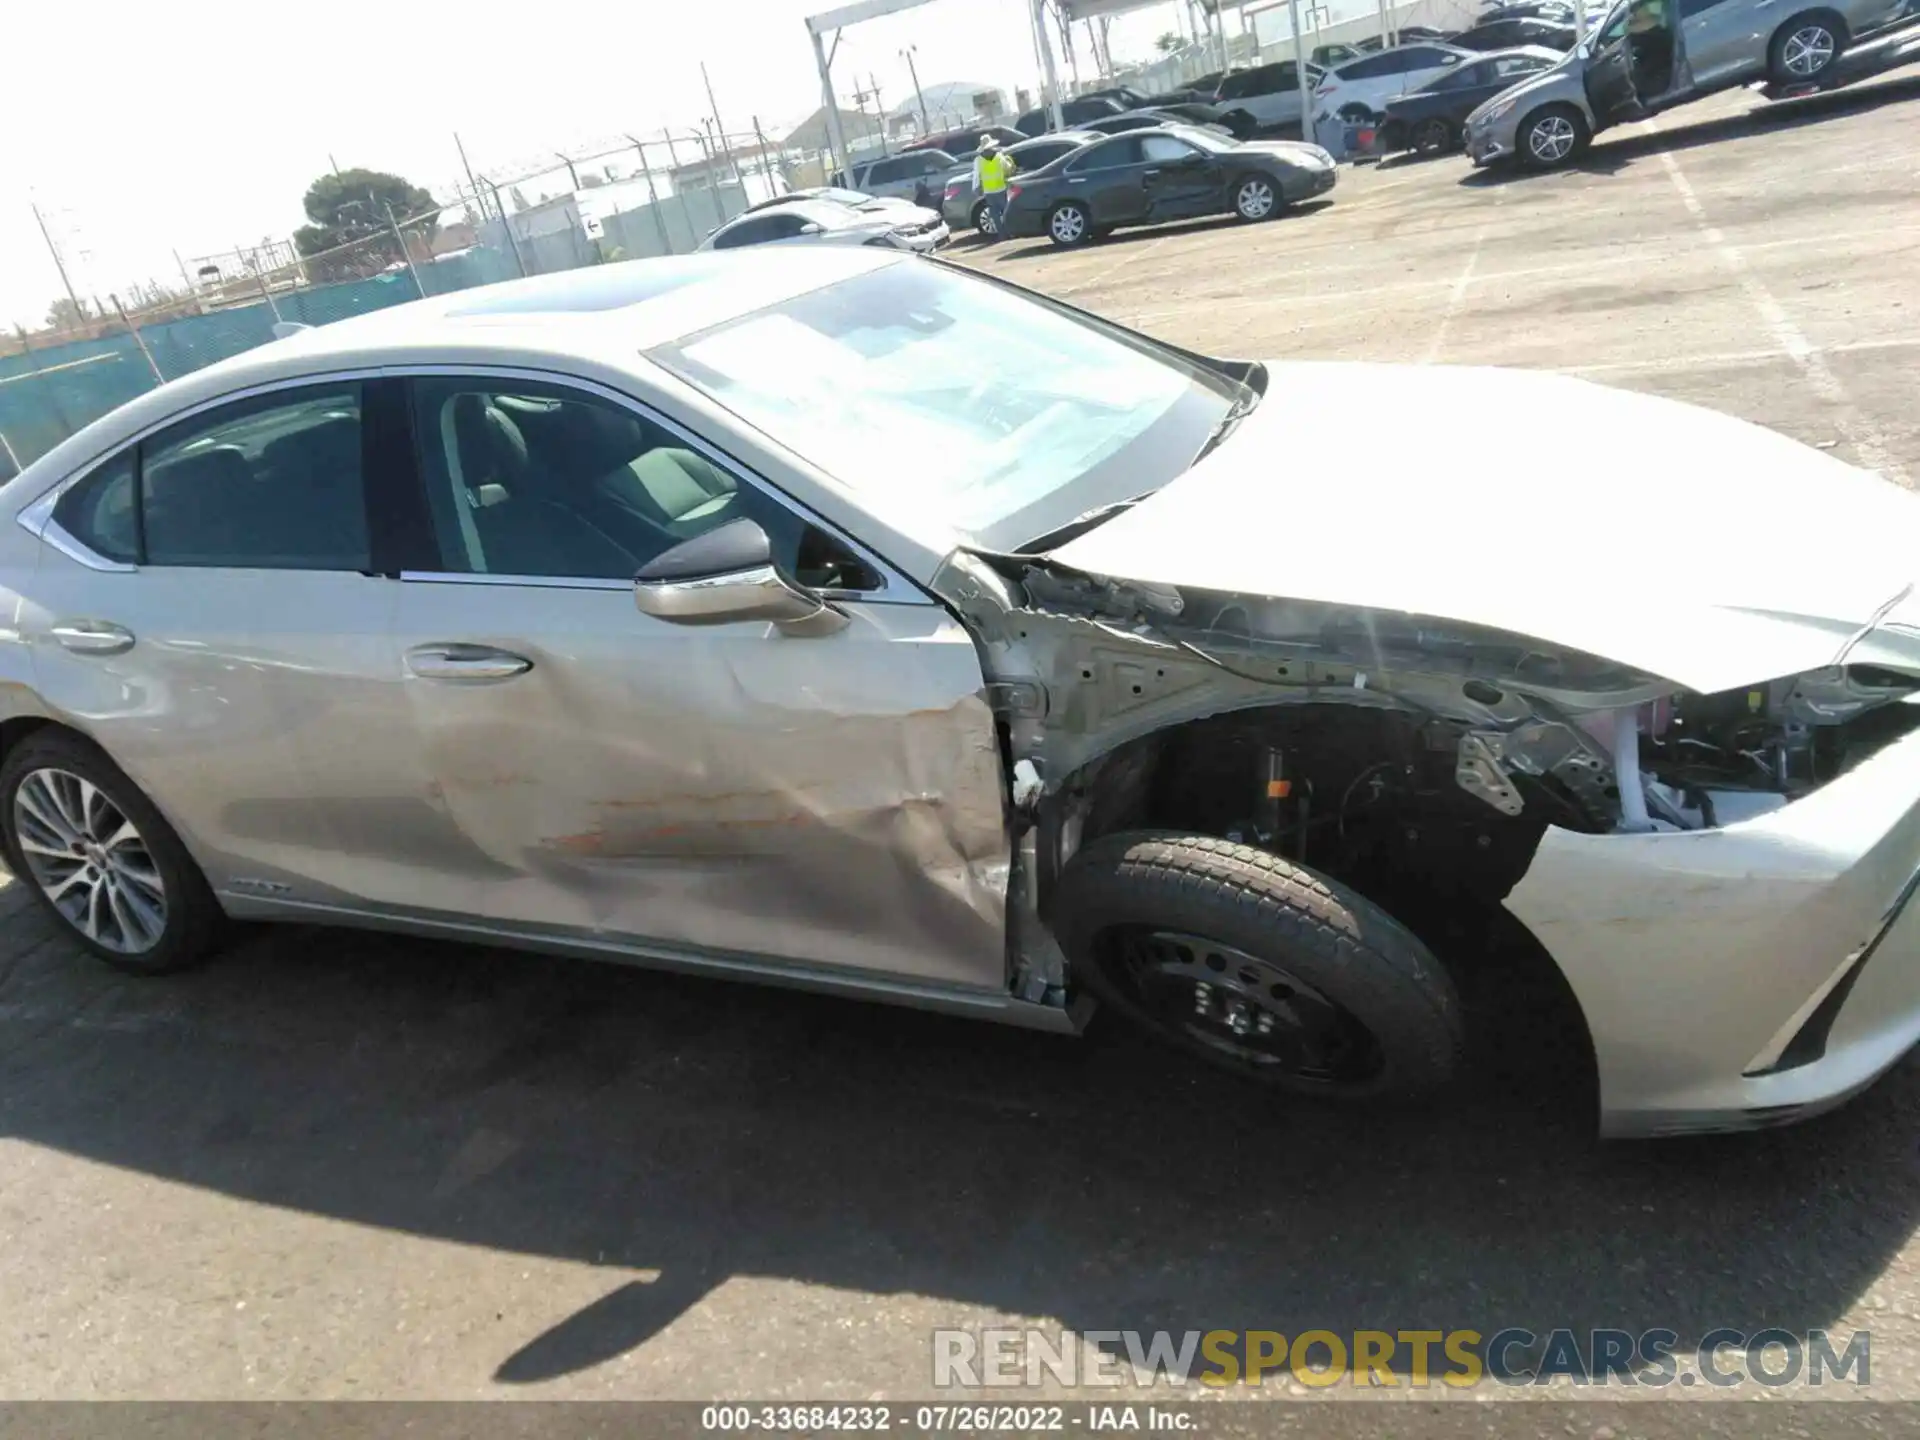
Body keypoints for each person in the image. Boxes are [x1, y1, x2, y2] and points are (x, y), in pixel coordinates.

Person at [973, 136, 1017, 239]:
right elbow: (1007, 169)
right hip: (1001, 188)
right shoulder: (999, 156)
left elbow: (976, 176)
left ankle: (1002, 235)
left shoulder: (978, 160)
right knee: (1006, 212)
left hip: (989, 192)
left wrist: (976, 189)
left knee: (995, 215)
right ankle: (1011, 232)